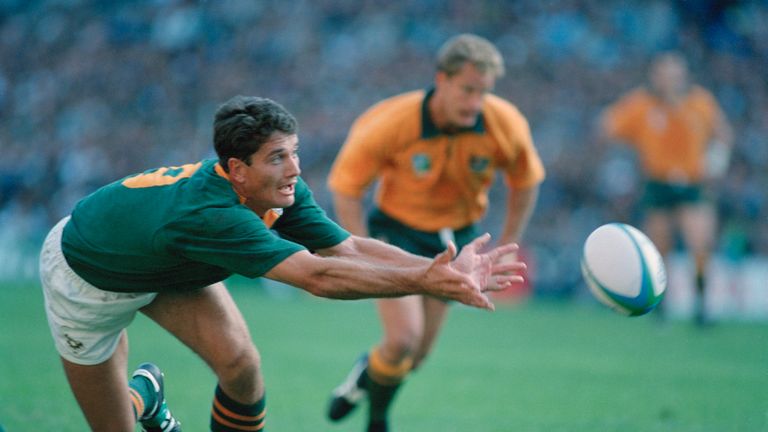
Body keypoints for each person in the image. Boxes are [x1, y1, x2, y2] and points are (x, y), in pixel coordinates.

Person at [39, 95, 526, 432]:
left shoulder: (277, 187)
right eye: (277, 157)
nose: (294, 168)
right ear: (236, 170)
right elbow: (317, 276)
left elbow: (347, 249)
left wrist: (438, 268)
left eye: (294, 152)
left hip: (168, 262)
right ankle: (144, 395)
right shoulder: (213, 217)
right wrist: (426, 281)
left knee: (241, 365)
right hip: (86, 279)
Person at [325, 34, 545, 432]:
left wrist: (510, 241)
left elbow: (526, 181)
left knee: (416, 357)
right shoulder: (391, 120)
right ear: (441, 79)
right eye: (467, 90)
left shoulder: (504, 123)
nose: (475, 102)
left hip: (454, 241)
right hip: (396, 234)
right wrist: (359, 248)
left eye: (483, 92)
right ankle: (378, 422)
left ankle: (364, 375)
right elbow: (345, 187)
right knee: (403, 339)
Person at [599, 52, 734, 324]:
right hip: (657, 182)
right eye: (662, 74)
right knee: (660, 248)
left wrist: (716, 163)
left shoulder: (700, 102)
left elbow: (723, 134)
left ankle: (702, 306)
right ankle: (661, 306)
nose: (668, 80)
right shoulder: (641, 104)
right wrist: (626, 157)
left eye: (673, 74)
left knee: (700, 243)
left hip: (692, 183)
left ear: (683, 76)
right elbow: (607, 126)